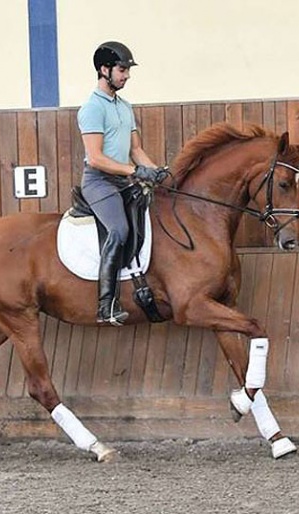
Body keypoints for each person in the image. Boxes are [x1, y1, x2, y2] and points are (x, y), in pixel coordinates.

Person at [77, 41, 167, 326]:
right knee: (118, 229)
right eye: (122, 70)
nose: (126, 75)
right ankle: (106, 304)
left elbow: (136, 150)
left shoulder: (125, 107)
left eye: (127, 70)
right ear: (104, 70)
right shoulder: (92, 108)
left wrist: (157, 172)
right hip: (99, 182)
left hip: (124, 179)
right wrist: (135, 171)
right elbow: (95, 158)